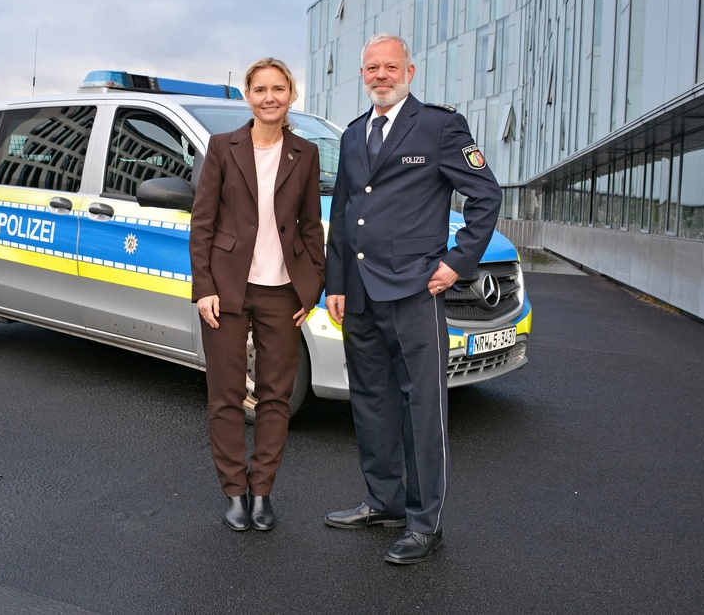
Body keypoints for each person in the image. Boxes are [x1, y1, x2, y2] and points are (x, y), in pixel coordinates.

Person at [323, 34, 501, 564]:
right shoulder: (354, 134)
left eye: (390, 67)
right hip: (358, 293)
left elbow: (485, 194)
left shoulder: (441, 126)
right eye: (372, 68)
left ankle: (425, 523)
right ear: (362, 74)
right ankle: (384, 501)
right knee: (371, 401)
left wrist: (456, 263)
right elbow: (344, 211)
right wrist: (334, 283)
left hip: (414, 290)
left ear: (411, 71)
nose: (381, 75)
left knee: (422, 406)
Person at [189, 57, 326, 532]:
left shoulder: (305, 154)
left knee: (275, 397)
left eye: (279, 88)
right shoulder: (222, 147)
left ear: (291, 94)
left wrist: (312, 289)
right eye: (261, 89)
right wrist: (203, 287)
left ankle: (262, 491)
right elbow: (202, 222)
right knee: (225, 395)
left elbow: (311, 226)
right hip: (226, 290)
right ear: (248, 96)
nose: (270, 97)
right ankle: (233, 492)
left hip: (283, 293)